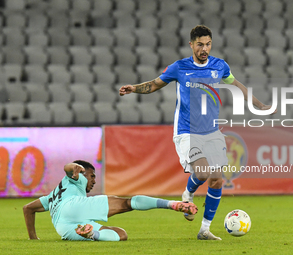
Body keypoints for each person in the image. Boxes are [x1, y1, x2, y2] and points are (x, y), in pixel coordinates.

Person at [119, 25, 276, 240]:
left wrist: (261, 106)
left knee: (217, 180)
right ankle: (188, 194)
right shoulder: (179, 67)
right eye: (200, 44)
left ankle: (204, 229)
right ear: (191, 44)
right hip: (186, 131)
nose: (205, 49)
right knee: (202, 172)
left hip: (212, 131)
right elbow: (155, 84)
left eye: (208, 44)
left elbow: (238, 86)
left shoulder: (220, 66)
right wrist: (134, 88)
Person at [23, 160, 197, 241]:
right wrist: (74, 168)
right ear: (84, 174)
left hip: (63, 228)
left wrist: (33, 238)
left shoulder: (52, 196)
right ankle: (172, 204)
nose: (93, 181)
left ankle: (92, 234)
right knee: (127, 203)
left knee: (121, 234)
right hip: (73, 208)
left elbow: (27, 208)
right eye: (92, 176)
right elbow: (68, 169)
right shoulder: (77, 178)